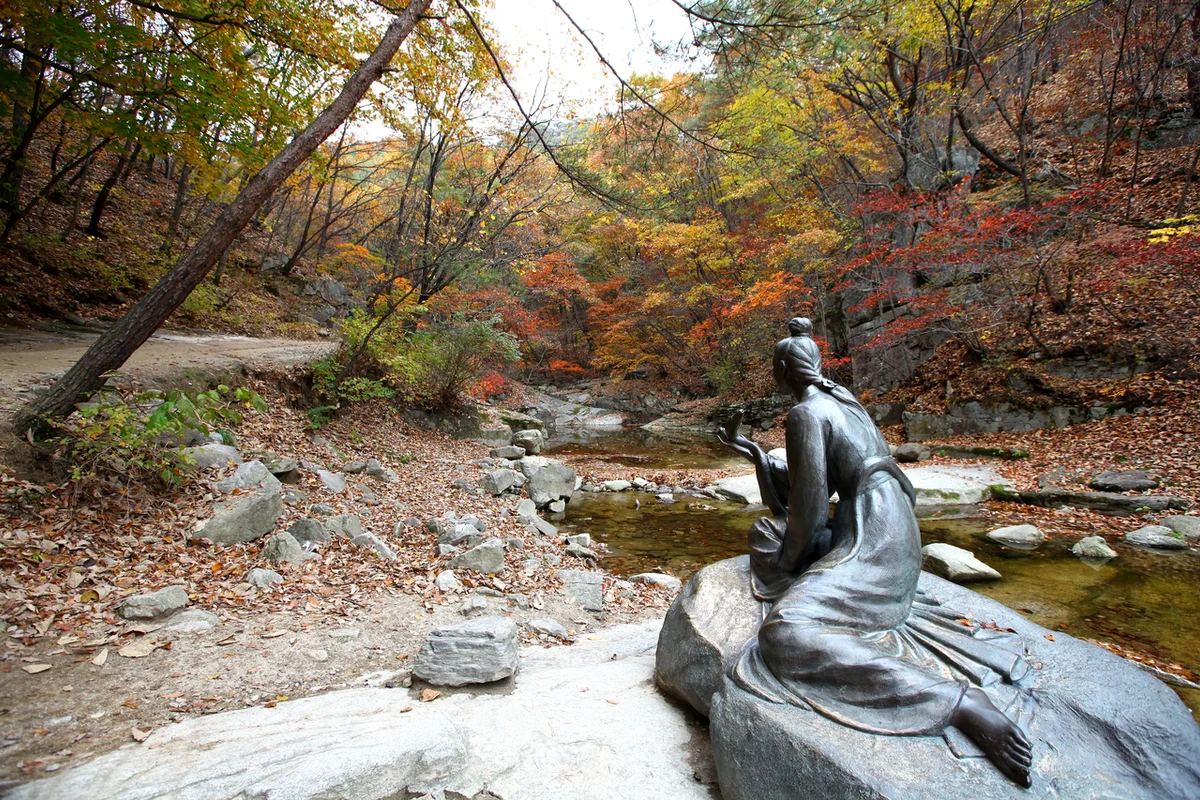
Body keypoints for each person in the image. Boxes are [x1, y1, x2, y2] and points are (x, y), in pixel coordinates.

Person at [717, 317, 1034, 788]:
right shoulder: (843, 400)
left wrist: (786, 563)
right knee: (766, 529)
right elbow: (820, 479)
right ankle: (813, 582)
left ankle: (958, 702)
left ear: (781, 370)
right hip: (890, 524)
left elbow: (810, 510)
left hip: (874, 538)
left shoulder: (806, 414)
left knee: (786, 632)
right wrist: (755, 453)